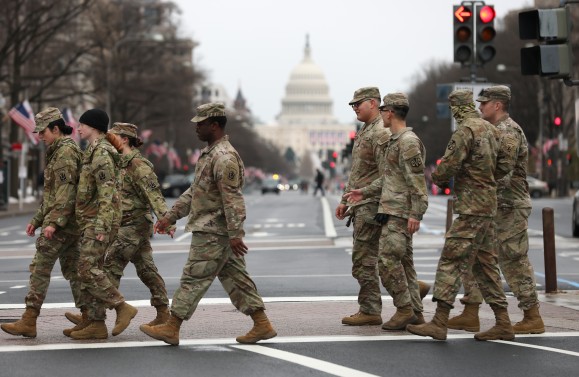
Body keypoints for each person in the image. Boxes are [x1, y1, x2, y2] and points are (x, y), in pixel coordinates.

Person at [140, 102, 277, 346]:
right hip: (214, 229)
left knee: (193, 277)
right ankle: (262, 323)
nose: (196, 128)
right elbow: (195, 192)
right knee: (236, 277)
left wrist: (236, 234)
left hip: (214, 230)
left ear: (214, 125)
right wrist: (169, 217)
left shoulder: (224, 158)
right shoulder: (210, 155)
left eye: (201, 123)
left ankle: (172, 327)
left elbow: (232, 199)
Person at [406, 89, 514, 341]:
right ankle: (504, 322)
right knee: (486, 266)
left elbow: (450, 166)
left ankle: (439, 321)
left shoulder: (465, 131)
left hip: (472, 208)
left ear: (457, 109)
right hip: (488, 206)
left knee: (451, 260)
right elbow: (505, 166)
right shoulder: (492, 130)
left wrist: (437, 176)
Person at [446, 86, 544, 334]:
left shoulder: (508, 132)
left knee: (513, 260)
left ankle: (532, 315)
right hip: (490, 206)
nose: (480, 107)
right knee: (474, 259)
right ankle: (470, 313)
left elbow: (503, 172)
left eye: (484, 103)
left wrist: (478, 188)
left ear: (497, 105)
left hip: (509, 206)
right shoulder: (491, 131)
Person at [336, 87, 430, 326]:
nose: (354, 108)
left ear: (374, 104)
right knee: (396, 260)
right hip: (373, 202)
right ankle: (412, 306)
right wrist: (348, 198)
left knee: (369, 261)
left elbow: (394, 175)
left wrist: (413, 212)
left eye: (358, 103)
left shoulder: (382, 133)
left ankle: (376, 308)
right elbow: (362, 172)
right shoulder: (369, 130)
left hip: (380, 207)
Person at [1, 108, 82, 338]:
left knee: (40, 268)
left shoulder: (65, 152)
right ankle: (90, 316)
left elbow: (66, 193)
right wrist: (37, 219)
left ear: (56, 128)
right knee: (74, 271)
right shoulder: (59, 150)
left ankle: (29, 320)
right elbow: (52, 193)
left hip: (63, 224)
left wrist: (53, 223)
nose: (39, 136)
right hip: (68, 222)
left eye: (43, 131)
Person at [64, 109, 138, 340]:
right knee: (89, 269)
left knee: (86, 269)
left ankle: (121, 307)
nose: (78, 128)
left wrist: (102, 227)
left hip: (98, 222)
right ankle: (95, 323)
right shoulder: (94, 150)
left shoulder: (103, 153)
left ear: (94, 126)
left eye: (82, 124)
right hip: (90, 220)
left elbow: (108, 194)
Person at [103, 123, 173, 327]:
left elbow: (154, 194)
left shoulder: (138, 164)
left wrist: (165, 220)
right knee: (146, 269)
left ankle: (94, 316)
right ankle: (163, 312)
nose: (109, 139)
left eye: (113, 136)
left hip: (134, 224)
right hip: (124, 223)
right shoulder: (119, 162)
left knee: (111, 265)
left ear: (124, 139)